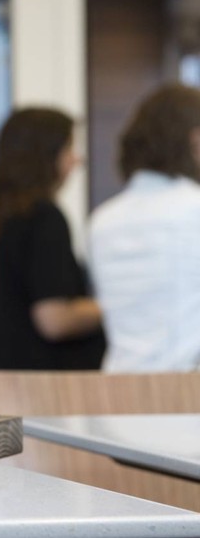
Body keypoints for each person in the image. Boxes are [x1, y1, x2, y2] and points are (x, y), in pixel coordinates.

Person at [90, 85, 200, 372]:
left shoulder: (103, 220)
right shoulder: (194, 208)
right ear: (194, 139)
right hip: (186, 389)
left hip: (118, 386)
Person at [0, 108, 105, 370]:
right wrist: (111, 308)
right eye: (68, 149)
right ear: (46, 155)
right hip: (42, 382)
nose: (76, 160)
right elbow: (54, 319)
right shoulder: (43, 217)